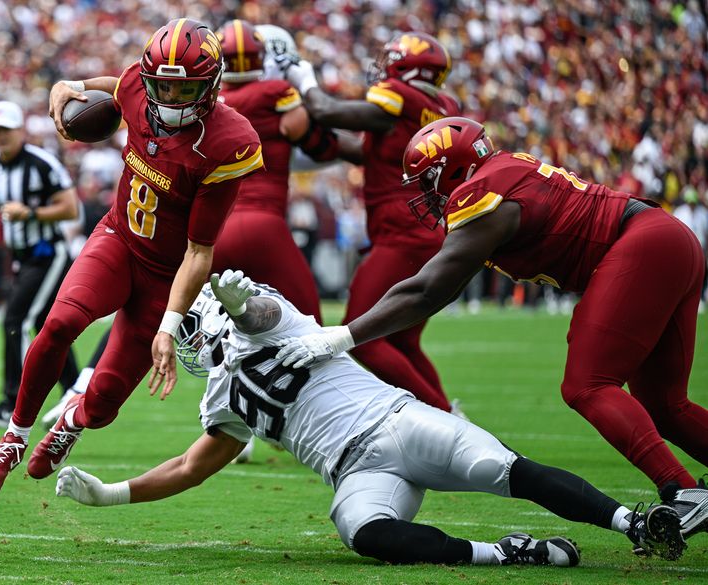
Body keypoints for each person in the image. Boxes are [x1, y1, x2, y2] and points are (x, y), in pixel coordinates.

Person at [54, 270, 687, 565]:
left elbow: (265, 319)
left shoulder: (262, 316)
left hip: (394, 420)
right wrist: (111, 495)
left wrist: (240, 305)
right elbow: (192, 467)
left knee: (499, 466)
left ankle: (634, 522)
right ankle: (506, 554)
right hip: (354, 468)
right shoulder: (218, 400)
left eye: (191, 314)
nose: (190, 330)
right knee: (363, 533)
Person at [275, 116, 708, 540]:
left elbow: (428, 290)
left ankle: (681, 490)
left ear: (455, 169)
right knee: (665, 406)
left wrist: (342, 336)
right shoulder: (501, 173)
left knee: (588, 385)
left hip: (641, 245)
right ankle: (686, 489)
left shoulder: (481, 192)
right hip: (666, 238)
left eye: (428, 181)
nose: (426, 195)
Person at [0, 18, 262, 495]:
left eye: (183, 91)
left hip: (165, 275)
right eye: (161, 86)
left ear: (210, 87)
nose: (169, 99)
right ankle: (13, 439)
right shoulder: (138, 90)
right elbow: (119, 84)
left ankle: (71, 423)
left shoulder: (228, 143)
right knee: (59, 324)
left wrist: (170, 326)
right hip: (118, 240)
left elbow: (198, 250)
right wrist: (73, 85)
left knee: (103, 403)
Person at [281, 32, 461, 412]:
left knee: (361, 335)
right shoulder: (440, 105)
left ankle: (444, 418)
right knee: (401, 341)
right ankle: (449, 413)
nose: (383, 70)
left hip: (403, 233)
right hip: (426, 229)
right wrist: (309, 139)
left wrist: (304, 80)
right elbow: (362, 151)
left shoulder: (399, 98)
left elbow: (329, 112)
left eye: (392, 62)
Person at [211, 19, 360, 322]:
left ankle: (95, 369)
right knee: (309, 322)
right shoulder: (278, 93)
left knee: (161, 315)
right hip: (265, 225)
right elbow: (322, 145)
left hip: (211, 232)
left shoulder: (207, 102)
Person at [0, 100, 81, 428]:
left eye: (6, 130)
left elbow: (71, 208)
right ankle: (76, 390)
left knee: (15, 320)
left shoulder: (41, 164)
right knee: (49, 327)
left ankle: (13, 402)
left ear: (20, 130)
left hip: (48, 254)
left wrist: (31, 213)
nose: (1, 137)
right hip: (22, 259)